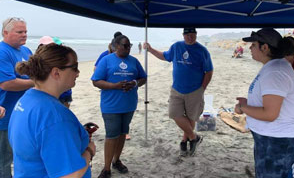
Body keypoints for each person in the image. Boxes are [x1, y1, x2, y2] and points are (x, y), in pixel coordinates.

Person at [9, 43, 96, 178]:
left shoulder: (26, 99)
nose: (78, 73)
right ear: (56, 73)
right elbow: (69, 175)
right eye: (74, 67)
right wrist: (89, 151)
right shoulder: (55, 117)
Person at [235, 28, 294, 178]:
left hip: (277, 142)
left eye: (253, 45)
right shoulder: (274, 67)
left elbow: (270, 114)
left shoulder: (275, 72)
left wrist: (243, 107)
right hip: (274, 140)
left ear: (265, 47)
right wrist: (249, 102)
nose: (250, 48)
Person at [143, 27, 213, 157]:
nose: (190, 37)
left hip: (195, 90)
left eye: (192, 35)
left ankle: (184, 141)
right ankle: (194, 137)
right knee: (174, 114)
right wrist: (150, 49)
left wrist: (202, 88)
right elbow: (164, 56)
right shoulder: (176, 47)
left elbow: (209, 71)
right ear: (183, 35)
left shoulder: (202, 51)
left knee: (191, 117)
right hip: (176, 89)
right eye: (187, 35)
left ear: (196, 35)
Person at [92, 35, 147, 178]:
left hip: (129, 105)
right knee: (111, 135)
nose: (128, 48)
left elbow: (143, 78)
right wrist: (114, 86)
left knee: (122, 133)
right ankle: (106, 168)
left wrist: (134, 83)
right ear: (116, 45)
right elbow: (96, 81)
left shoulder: (134, 61)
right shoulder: (106, 60)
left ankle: (117, 161)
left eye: (130, 45)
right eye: (125, 45)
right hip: (111, 106)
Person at [0, 17, 34, 178]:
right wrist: (36, 82)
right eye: (19, 32)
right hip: (5, 116)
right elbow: (7, 84)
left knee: (22, 155)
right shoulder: (2, 51)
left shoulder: (26, 51)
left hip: (23, 113)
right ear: (5, 32)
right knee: (4, 161)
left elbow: (36, 72)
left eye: (26, 31)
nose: (24, 35)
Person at [38, 36, 73, 108]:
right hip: (53, 93)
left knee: (64, 111)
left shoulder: (62, 57)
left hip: (65, 92)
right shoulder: (40, 60)